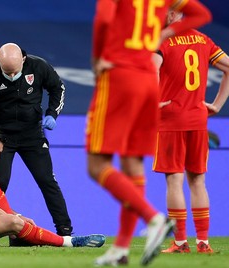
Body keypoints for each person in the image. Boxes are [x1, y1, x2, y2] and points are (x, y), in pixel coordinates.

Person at [88, 0, 211, 266]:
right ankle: (121, 248)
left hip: (121, 74)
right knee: (132, 164)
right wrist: (167, 32)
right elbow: (201, 14)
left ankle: (153, 218)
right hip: (147, 80)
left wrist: (97, 59)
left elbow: (104, 20)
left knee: (97, 165)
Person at [0, 43, 73, 244]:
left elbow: (58, 88)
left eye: (15, 72)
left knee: (47, 180)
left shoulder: (39, 66)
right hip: (1, 138)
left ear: (23, 60)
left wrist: (52, 113)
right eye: (7, 72)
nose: (12, 76)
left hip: (32, 134)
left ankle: (65, 231)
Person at [152, 9, 229, 254]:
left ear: (174, 13)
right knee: (198, 182)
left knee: (174, 181)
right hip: (198, 118)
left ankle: (181, 242)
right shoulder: (203, 40)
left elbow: (151, 70)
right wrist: (217, 104)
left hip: (171, 118)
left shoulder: (161, 40)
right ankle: (203, 242)